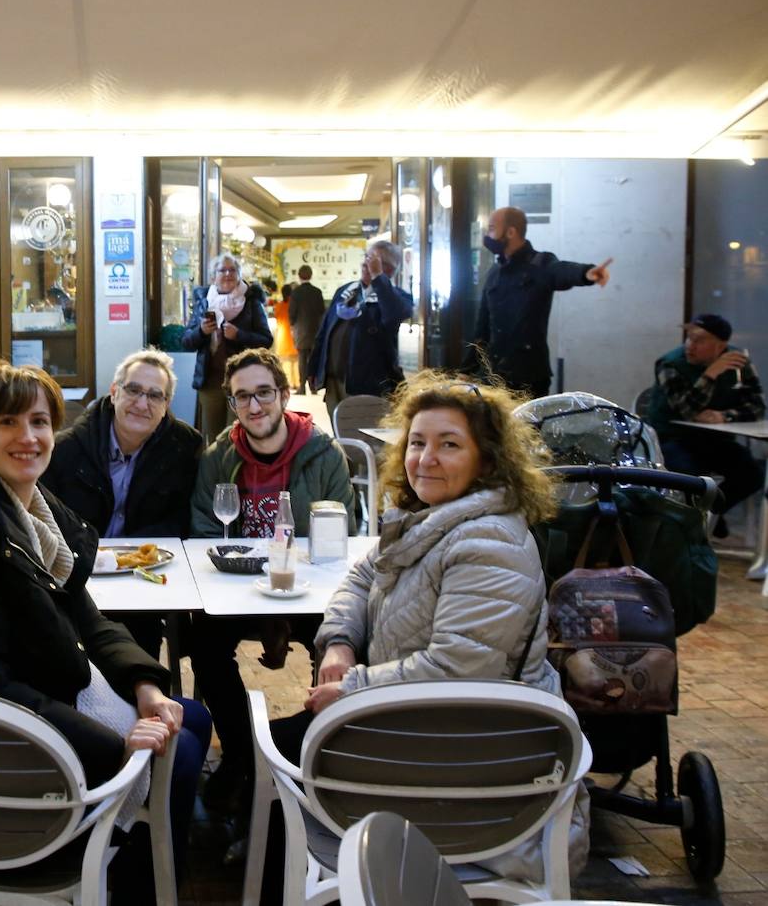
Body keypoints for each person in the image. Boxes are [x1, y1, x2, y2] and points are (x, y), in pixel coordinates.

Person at [0, 362, 212, 889]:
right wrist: (112, 744)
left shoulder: (32, 508)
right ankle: (123, 878)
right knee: (181, 745)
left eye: (39, 422)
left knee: (188, 717)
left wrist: (145, 685)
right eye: (8, 422)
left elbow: (85, 613)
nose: (28, 438)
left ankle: (140, 866)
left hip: (26, 699)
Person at [257, 371, 581, 899]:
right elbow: (363, 575)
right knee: (279, 751)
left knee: (273, 756)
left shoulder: (489, 543)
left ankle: (305, 879)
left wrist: (352, 686)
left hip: (463, 762)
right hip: (417, 729)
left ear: (488, 459)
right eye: (417, 443)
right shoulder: (429, 519)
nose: (425, 459)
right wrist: (338, 640)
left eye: (449, 445)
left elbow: (454, 669)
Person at [187, 347, 356, 809]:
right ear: (233, 403)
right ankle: (244, 752)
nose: (254, 406)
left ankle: (322, 750)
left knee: (341, 642)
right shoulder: (219, 457)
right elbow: (205, 533)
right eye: (243, 397)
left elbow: (343, 535)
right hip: (240, 589)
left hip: (307, 592)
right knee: (203, 643)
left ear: (284, 394)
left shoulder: (324, 455)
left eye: (264, 393)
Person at [41, 349, 204, 658]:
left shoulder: (184, 448)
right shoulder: (66, 450)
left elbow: (182, 518)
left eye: (155, 396)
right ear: (114, 392)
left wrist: (131, 556)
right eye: (133, 390)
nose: (142, 404)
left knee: (143, 645)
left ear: (167, 405)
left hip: (145, 579)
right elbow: (49, 521)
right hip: (81, 579)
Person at [462, 206, 613, 396]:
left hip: (529, 379)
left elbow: (561, 271)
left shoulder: (540, 264)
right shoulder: (494, 273)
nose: (488, 235)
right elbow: (481, 329)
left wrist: (586, 273)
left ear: (511, 232)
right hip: (494, 377)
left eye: (492, 228)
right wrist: (466, 371)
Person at [644, 313, 765, 535]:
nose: (690, 345)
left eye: (700, 340)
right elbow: (687, 410)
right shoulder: (669, 364)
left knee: (752, 474)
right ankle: (698, 522)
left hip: (713, 438)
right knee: (689, 478)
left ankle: (710, 512)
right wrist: (710, 374)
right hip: (671, 438)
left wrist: (725, 416)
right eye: (689, 337)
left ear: (721, 346)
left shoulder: (737, 362)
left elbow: (758, 407)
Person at [306, 240, 415, 417]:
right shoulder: (345, 292)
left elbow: (393, 314)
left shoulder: (398, 298)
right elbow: (324, 331)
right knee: (340, 437)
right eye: (366, 256)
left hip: (368, 386)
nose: (365, 263)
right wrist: (313, 368)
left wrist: (378, 276)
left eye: (373, 259)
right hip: (335, 381)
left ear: (388, 267)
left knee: (363, 438)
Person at [181, 254, 273, 444]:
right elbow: (186, 342)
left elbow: (266, 340)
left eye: (232, 270)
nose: (227, 274)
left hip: (244, 382)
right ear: (213, 276)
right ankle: (216, 474)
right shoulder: (204, 302)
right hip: (210, 382)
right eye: (222, 270)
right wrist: (201, 331)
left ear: (239, 274)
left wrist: (239, 335)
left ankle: (237, 473)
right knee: (213, 438)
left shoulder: (252, 302)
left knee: (238, 436)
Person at [288, 264, 325, 394]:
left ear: (299, 276)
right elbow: (322, 311)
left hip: (300, 330)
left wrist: (292, 326)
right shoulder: (317, 292)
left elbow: (292, 313)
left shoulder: (296, 293)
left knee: (302, 359)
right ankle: (313, 387)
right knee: (314, 359)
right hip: (315, 330)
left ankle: (302, 387)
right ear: (311, 276)